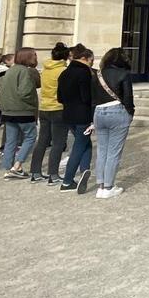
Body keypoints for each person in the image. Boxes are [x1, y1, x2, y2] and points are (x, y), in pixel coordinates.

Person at [92, 48, 135, 198]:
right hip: (117, 110)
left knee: (102, 150)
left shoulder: (98, 74)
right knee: (114, 152)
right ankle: (109, 186)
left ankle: (101, 185)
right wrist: (130, 113)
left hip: (99, 111)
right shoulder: (124, 74)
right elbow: (128, 97)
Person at [30, 42, 70, 184]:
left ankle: (35, 172)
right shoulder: (63, 71)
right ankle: (53, 174)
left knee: (42, 141)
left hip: (44, 107)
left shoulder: (45, 69)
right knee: (58, 143)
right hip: (58, 108)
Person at [0, 48, 41, 178]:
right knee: (30, 137)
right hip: (23, 110)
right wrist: (33, 102)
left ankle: (8, 168)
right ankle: (17, 165)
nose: (36, 58)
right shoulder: (25, 71)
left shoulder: (10, 70)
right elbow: (25, 92)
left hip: (8, 110)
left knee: (11, 141)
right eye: (34, 55)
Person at [58, 44, 95, 194]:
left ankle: (85, 171)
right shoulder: (84, 73)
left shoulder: (64, 73)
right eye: (91, 60)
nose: (92, 63)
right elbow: (86, 97)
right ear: (84, 58)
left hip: (68, 114)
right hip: (82, 115)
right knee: (79, 146)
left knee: (86, 143)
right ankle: (67, 181)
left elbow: (59, 97)